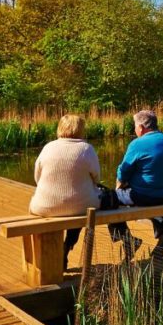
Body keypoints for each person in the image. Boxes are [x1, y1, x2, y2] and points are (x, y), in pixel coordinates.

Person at [29, 114, 102, 267]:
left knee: (75, 205)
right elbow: (97, 178)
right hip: (81, 206)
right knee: (81, 206)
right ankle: (66, 246)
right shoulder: (86, 149)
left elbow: (37, 177)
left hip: (45, 206)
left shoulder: (48, 147)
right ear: (80, 129)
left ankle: (53, 256)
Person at [108, 109, 163, 241]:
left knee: (110, 198)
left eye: (135, 127)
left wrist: (119, 187)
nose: (135, 130)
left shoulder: (137, 144)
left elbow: (123, 173)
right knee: (151, 185)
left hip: (146, 197)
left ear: (140, 127)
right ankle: (161, 230)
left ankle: (127, 239)